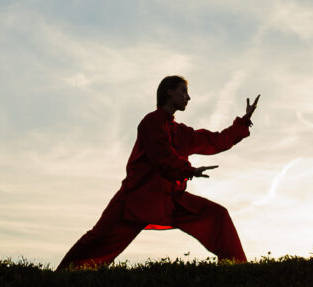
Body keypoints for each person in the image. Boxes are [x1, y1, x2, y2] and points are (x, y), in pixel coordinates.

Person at [56, 75, 260, 271]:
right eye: (183, 91)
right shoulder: (151, 122)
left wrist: (243, 122)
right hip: (137, 198)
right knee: (97, 241)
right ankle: (59, 280)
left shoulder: (180, 131)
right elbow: (162, 157)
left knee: (217, 216)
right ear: (169, 92)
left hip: (170, 200)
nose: (188, 97)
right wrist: (190, 170)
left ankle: (236, 270)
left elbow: (214, 140)